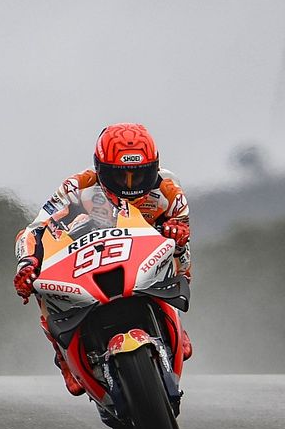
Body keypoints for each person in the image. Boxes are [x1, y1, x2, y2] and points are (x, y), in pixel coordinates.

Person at [12, 123, 193, 396]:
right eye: (120, 177)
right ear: (100, 169)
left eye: (140, 175)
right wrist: (28, 265)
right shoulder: (75, 186)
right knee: (40, 282)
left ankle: (176, 320)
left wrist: (176, 229)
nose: (130, 184)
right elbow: (35, 228)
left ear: (154, 167)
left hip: (143, 253)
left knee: (180, 246)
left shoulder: (170, 189)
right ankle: (63, 357)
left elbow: (181, 224)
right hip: (93, 252)